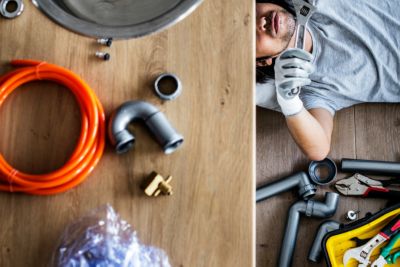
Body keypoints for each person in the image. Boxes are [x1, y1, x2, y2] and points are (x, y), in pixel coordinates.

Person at [255, 0, 400, 160]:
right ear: (261, 61)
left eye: (250, 14)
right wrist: (288, 100)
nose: (261, 22)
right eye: (252, 36)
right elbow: (318, 150)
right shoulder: (315, 88)